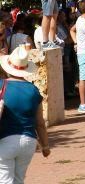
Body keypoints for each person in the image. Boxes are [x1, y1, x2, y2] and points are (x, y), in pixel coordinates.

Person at [0, 46, 50, 182]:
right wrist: (45, 146)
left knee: (4, 180)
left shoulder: (1, 86)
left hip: (5, 139)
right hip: (29, 141)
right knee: (18, 179)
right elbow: (40, 123)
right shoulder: (34, 90)